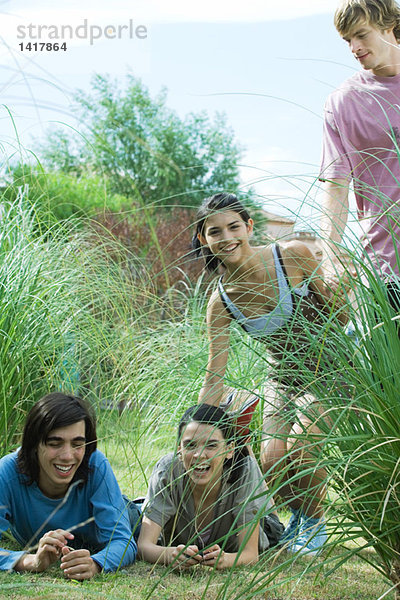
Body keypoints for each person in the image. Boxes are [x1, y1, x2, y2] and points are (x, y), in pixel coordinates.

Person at [191, 192, 349, 556]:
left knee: (303, 449)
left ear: (248, 227)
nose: (226, 237)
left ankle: (314, 524)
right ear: (204, 239)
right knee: (272, 457)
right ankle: (302, 519)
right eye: (215, 232)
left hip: (333, 367)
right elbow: (215, 376)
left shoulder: (292, 254)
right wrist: (197, 427)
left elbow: (340, 318)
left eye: (233, 227)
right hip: (283, 375)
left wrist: (343, 291)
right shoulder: (221, 302)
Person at [0, 392, 138, 578]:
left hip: (125, 513)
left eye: (77, 444)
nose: (67, 456)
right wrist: (32, 561)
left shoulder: (96, 465)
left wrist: (96, 564)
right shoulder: (7, 473)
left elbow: (123, 541)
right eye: (55, 443)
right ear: (33, 444)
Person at [319, 0, 400, 310]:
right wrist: (330, 256)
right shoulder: (343, 102)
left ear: (389, 26)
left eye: (361, 35)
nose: (354, 47)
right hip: (387, 269)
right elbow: (335, 185)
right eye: (347, 40)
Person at [137, 403, 284, 569]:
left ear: (229, 450)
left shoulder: (244, 469)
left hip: (265, 525)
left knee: (274, 526)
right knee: (133, 514)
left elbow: (250, 555)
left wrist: (226, 560)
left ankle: (245, 443)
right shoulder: (167, 470)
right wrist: (169, 555)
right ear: (179, 450)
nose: (199, 455)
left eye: (211, 445)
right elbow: (143, 546)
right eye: (190, 445)